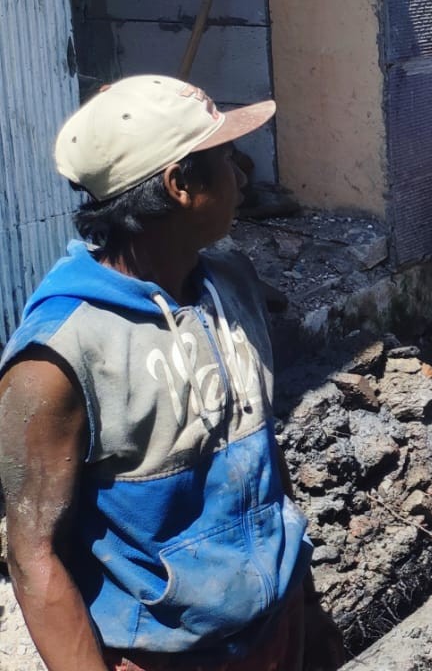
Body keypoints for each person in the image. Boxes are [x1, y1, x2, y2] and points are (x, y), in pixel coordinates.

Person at [0, 76, 343, 671]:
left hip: (276, 629)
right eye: (226, 159)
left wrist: (308, 611)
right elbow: (33, 553)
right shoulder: (57, 357)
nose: (241, 175)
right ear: (180, 184)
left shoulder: (232, 283)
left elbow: (260, 451)